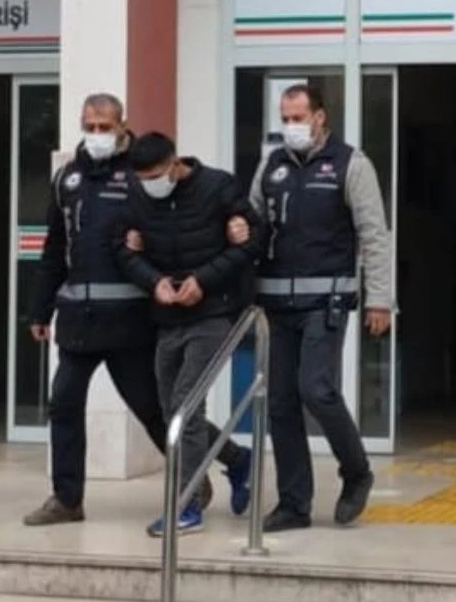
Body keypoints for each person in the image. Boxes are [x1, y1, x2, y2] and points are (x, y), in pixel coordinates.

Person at [23, 95, 251, 527]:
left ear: (122, 125)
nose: (96, 134)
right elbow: (55, 247)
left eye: (104, 126)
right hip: (78, 319)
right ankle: (67, 499)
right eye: (89, 125)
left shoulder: (142, 173)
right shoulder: (67, 179)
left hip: (131, 319)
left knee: (159, 413)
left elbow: (175, 225)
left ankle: (224, 463)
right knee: (63, 404)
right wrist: (39, 309)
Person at [243, 83, 392, 533]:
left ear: (320, 117)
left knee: (317, 389)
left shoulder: (351, 164)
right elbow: (252, 223)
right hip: (276, 302)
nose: (291, 126)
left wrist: (379, 298)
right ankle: (294, 504)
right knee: (281, 402)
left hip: (326, 300)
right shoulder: (271, 165)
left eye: (298, 118)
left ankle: (356, 471)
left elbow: (374, 235)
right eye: (285, 119)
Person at [115, 131, 262, 536]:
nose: (150, 185)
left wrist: (204, 280)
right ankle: (238, 460)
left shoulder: (218, 186)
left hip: (214, 313)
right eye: (143, 179)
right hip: (168, 316)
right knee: (171, 412)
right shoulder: (138, 196)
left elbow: (253, 240)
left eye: (156, 176)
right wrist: (154, 281)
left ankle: (187, 505)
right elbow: (122, 250)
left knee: (185, 405)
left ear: (175, 163)